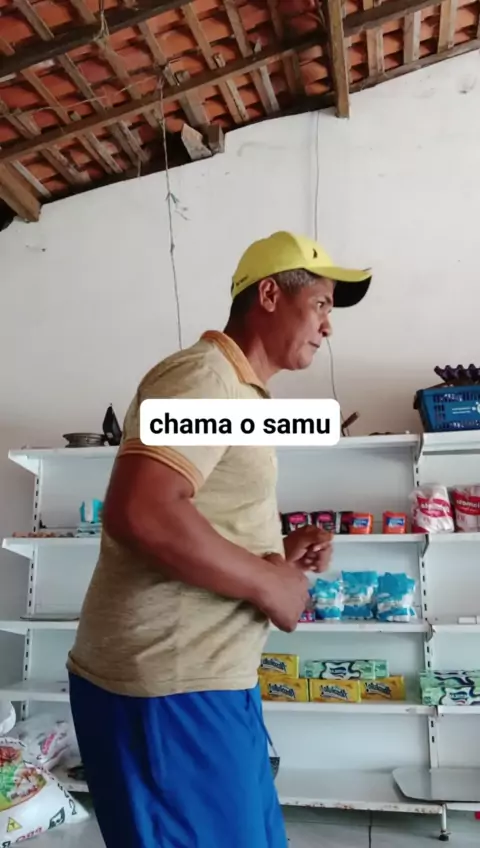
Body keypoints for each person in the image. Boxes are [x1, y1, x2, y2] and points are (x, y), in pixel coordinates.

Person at [67, 231, 372, 848]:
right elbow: (144, 510)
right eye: (319, 304)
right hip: (168, 685)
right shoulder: (204, 376)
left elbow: (199, 512)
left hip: (212, 678)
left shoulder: (239, 392)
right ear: (269, 295)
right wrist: (269, 584)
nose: (327, 325)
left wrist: (274, 553)